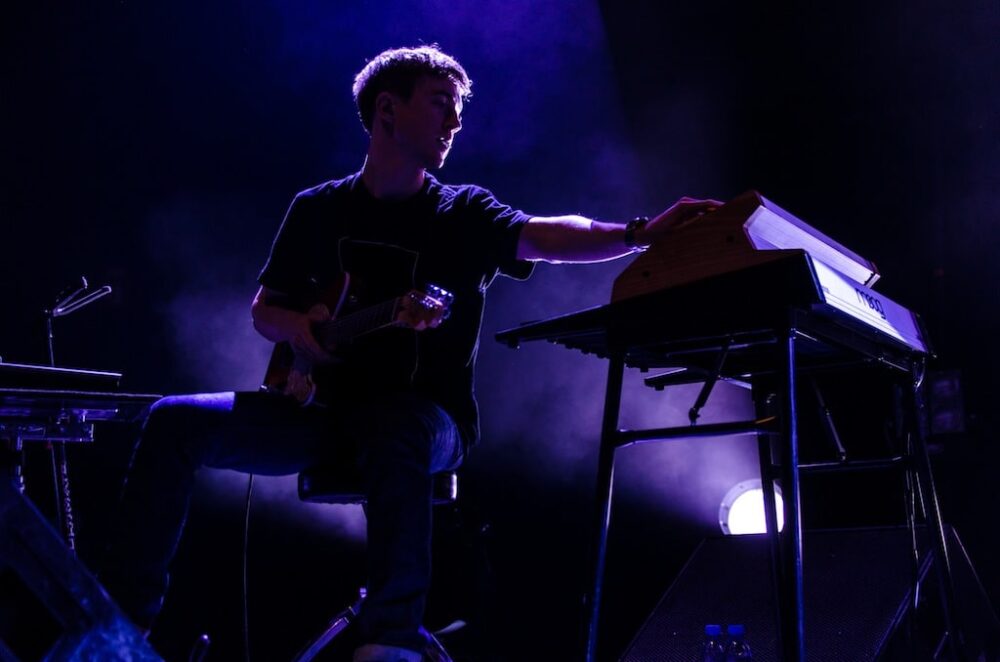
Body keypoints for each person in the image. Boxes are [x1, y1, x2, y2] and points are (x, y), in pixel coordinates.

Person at [101, 45, 720, 662]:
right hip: (319, 417)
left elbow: (550, 236)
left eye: (459, 109)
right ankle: (118, 632)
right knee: (172, 421)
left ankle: (390, 643)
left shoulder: (463, 211)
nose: (455, 121)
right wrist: (300, 328)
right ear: (387, 111)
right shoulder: (317, 209)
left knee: (391, 422)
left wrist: (638, 234)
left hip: (429, 419)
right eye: (441, 104)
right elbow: (265, 312)